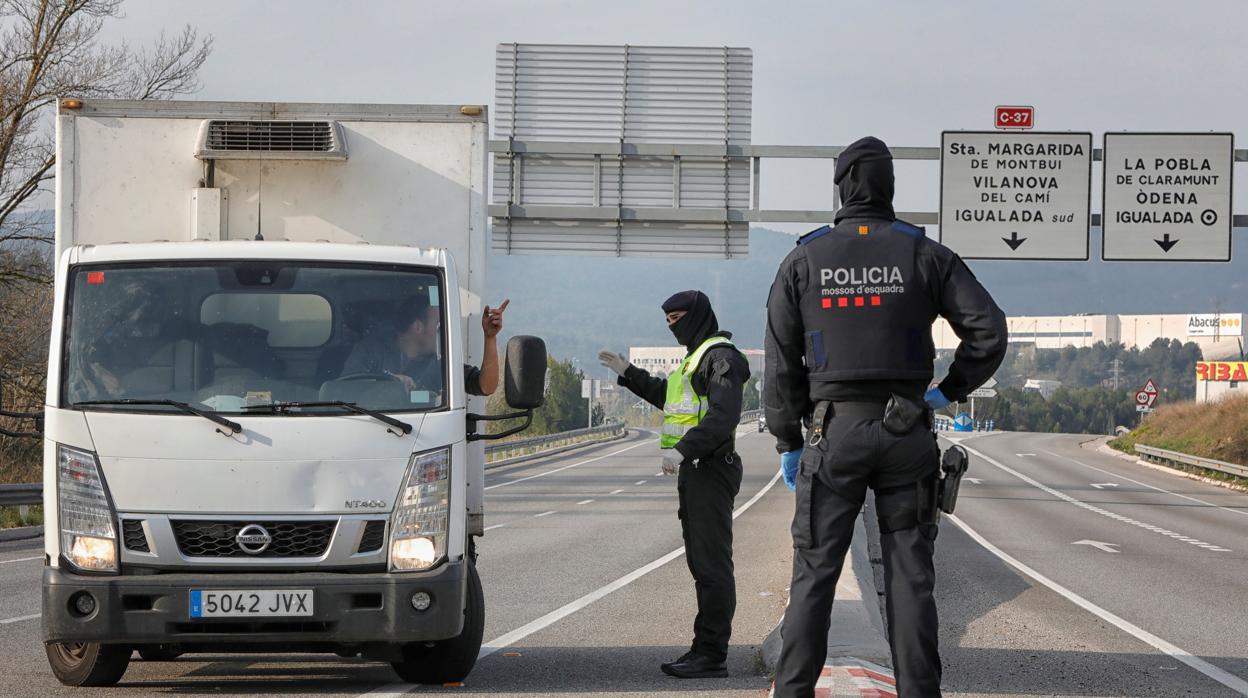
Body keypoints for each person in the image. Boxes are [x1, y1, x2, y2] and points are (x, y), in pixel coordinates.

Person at [765, 137, 1008, 698]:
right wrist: (946, 393)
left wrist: (788, 441)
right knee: (911, 580)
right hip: (907, 430)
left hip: (834, 432)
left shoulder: (804, 259)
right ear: (889, 185)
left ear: (843, 184)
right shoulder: (924, 254)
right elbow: (989, 331)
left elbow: (780, 360)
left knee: (815, 578)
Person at [598, 290, 750, 679]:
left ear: (697, 316)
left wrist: (684, 449)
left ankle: (712, 654)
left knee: (713, 566)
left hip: (711, 468)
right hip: (695, 471)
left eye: (678, 319)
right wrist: (628, 373)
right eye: (667, 322)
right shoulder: (694, 359)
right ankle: (704, 649)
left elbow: (724, 415)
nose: (673, 328)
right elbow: (671, 397)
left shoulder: (721, 357)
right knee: (701, 563)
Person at [343, 295, 508, 398]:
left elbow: (486, 386)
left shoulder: (439, 364)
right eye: (438, 326)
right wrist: (390, 383)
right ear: (417, 327)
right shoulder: (370, 351)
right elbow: (344, 389)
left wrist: (490, 337)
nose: (443, 332)